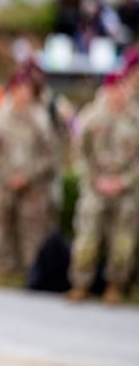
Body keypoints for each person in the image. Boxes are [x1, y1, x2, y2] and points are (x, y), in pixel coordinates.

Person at [67, 72, 139, 304]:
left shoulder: (135, 118)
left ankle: (115, 285)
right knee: (86, 236)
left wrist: (123, 181)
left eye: (122, 87)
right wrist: (95, 180)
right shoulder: (91, 116)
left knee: (123, 240)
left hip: (126, 189)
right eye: (114, 88)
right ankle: (80, 282)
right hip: (95, 186)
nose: (119, 93)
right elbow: (79, 153)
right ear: (106, 90)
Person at [0, 68, 56, 281]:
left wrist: (27, 175)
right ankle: (3, 268)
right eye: (17, 88)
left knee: (32, 230)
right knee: (1, 226)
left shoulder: (40, 118)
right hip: (3, 181)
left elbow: (49, 154)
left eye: (26, 88)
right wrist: (5, 175)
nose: (21, 92)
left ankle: (31, 270)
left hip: (33, 184)